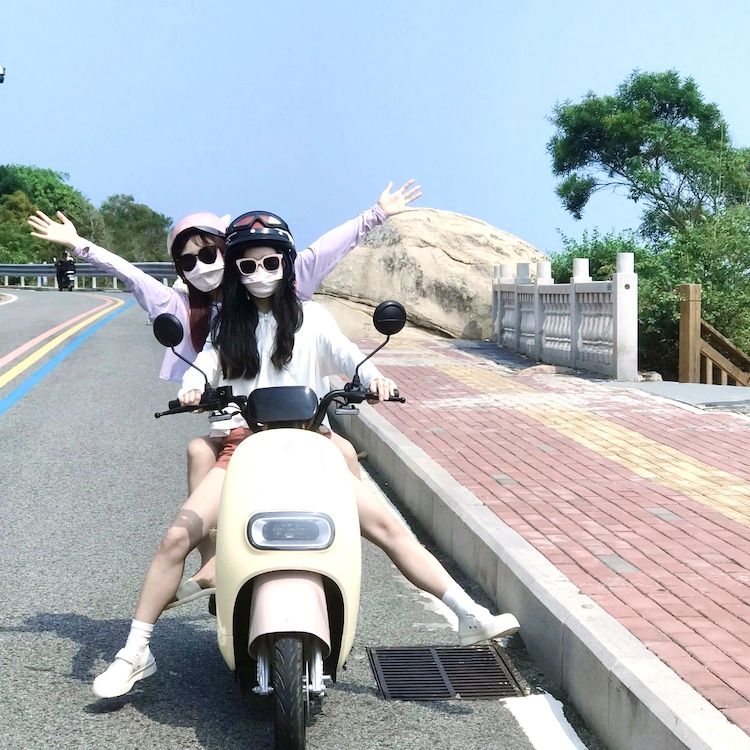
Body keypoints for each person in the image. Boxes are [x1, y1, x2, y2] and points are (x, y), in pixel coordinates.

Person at [91, 211, 520, 699]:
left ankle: (467, 613)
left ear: (286, 263)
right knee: (176, 537)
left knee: (388, 528)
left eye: (270, 262)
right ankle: (136, 650)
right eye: (247, 266)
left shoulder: (312, 317)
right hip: (245, 446)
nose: (259, 273)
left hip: (313, 441)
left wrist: (374, 378)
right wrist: (192, 387)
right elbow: (204, 366)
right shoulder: (226, 325)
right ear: (235, 270)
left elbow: (347, 355)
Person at [27, 181, 422, 604]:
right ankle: (211, 560)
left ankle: (347, 542)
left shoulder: (274, 284)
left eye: (208, 254)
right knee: (199, 452)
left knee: (343, 453)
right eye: (187, 261)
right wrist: (81, 246)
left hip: (294, 418)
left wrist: (376, 214)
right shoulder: (185, 309)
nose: (200, 267)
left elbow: (323, 251)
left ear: (227, 251)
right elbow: (133, 276)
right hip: (233, 423)